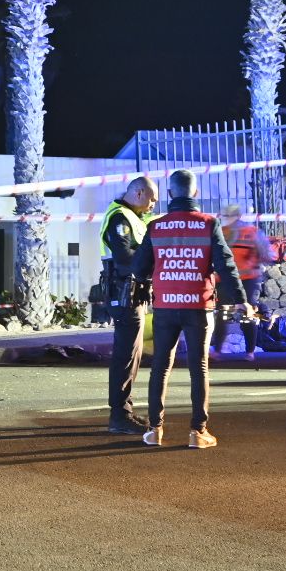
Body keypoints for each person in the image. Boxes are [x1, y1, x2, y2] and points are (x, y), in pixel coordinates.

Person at [129, 169, 250, 448]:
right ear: (194, 193)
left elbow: (139, 268)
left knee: (160, 366)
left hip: (165, 307)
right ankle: (198, 432)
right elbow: (226, 265)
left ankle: (154, 430)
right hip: (198, 306)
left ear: (170, 194)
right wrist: (241, 300)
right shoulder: (209, 223)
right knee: (199, 367)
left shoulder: (156, 227)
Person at [101, 176, 157, 433]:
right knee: (126, 355)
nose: (154, 204)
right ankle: (120, 415)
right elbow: (125, 258)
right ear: (139, 192)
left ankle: (123, 411)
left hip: (131, 293)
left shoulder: (134, 217)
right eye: (152, 198)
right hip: (123, 292)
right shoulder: (120, 218)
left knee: (131, 354)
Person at [210, 204, 273, 361]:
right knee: (222, 315)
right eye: (223, 216)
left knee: (247, 314)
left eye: (228, 216)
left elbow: (266, 254)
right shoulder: (219, 232)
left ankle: (250, 351)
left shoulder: (251, 233)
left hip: (247, 280)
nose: (225, 219)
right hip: (224, 280)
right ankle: (218, 350)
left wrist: (256, 260)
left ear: (237, 216)